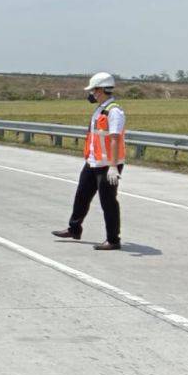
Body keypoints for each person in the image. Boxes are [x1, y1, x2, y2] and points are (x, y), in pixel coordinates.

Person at [53, 71, 127, 251]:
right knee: (81, 196)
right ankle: (74, 229)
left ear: (101, 90)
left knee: (108, 202)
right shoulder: (99, 110)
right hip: (93, 162)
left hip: (107, 165)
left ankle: (113, 240)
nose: (92, 94)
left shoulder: (114, 112)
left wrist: (113, 166)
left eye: (94, 90)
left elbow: (115, 139)